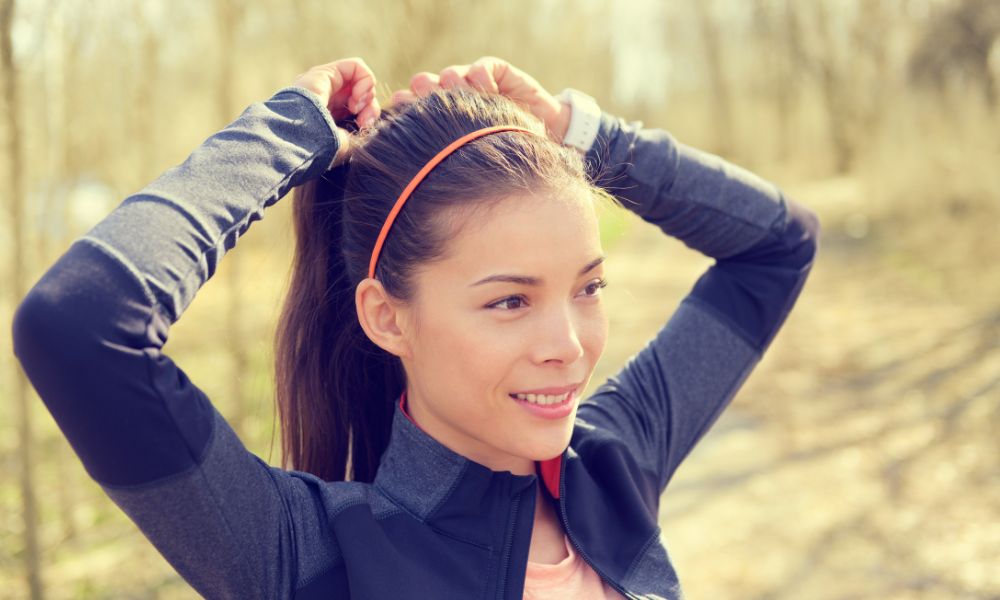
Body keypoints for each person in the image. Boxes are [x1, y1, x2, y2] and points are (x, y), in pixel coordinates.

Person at [11, 56, 820, 599]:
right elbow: (79, 325)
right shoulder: (311, 554)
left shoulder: (614, 464)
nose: (569, 346)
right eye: (510, 300)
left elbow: (776, 247)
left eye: (588, 286)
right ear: (386, 317)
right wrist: (287, 133)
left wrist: (580, 132)